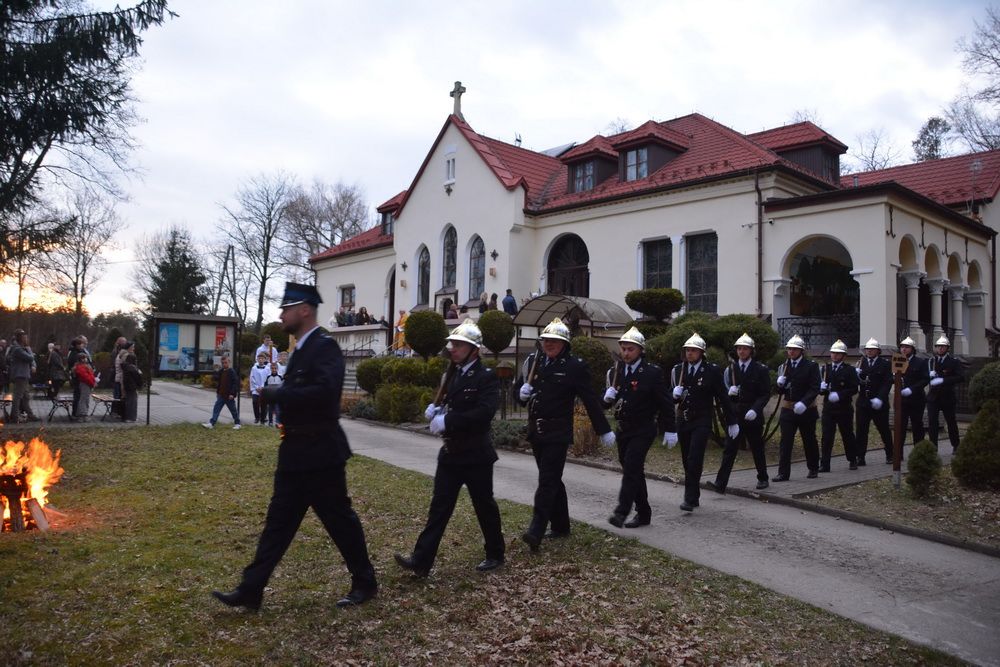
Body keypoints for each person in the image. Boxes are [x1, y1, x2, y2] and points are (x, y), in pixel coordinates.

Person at [213, 282, 378, 611]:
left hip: (321, 454)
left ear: (304, 310)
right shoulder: (301, 350)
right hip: (294, 453)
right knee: (278, 524)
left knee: (340, 522)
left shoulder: (324, 347)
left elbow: (326, 393)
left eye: (286, 309)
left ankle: (365, 581)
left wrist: (280, 394)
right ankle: (251, 589)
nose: (281, 315)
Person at [395, 318, 505, 576]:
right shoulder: (452, 374)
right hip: (450, 453)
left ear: (474, 350)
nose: (452, 349)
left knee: (484, 506)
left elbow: (484, 413)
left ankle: (495, 553)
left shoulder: (486, 377)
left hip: (476, 454)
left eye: (458, 345)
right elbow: (452, 404)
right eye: (452, 344)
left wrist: (448, 420)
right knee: (439, 508)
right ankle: (421, 561)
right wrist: (437, 410)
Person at [516, 317, 615, 550]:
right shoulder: (533, 362)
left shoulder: (574, 366)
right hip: (537, 431)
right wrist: (520, 394)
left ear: (564, 344)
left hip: (558, 433)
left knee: (546, 481)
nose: (548, 344)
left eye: (554, 341)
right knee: (552, 479)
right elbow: (518, 393)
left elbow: (589, 399)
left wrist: (603, 429)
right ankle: (561, 526)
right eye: (546, 340)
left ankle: (536, 530)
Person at [602, 326, 674, 528]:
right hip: (623, 429)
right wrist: (605, 398)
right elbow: (604, 403)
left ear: (640, 350)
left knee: (632, 467)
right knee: (633, 471)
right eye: (623, 349)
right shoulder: (615, 372)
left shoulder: (651, 373)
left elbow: (666, 402)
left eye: (630, 349)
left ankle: (621, 512)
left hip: (643, 428)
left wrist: (671, 428)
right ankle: (644, 512)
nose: (626, 353)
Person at [670, 332, 738, 511]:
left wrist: (732, 421)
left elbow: (723, 396)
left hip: (701, 419)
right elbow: (669, 396)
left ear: (701, 353)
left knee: (695, 457)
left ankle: (689, 498)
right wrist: (674, 395)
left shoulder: (711, 371)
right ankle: (694, 496)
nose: (689, 353)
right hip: (683, 419)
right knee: (687, 459)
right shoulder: (678, 370)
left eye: (693, 350)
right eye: (687, 350)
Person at [708, 333, 771, 493]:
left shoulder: (760, 369)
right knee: (729, 449)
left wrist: (756, 409)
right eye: (739, 349)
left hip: (752, 414)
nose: (741, 351)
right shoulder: (730, 369)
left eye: (745, 349)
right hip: (736, 415)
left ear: (751, 351)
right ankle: (720, 483)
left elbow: (765, 394)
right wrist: (729, 393)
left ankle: (763, 477)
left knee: (757, 448)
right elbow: (723, 392)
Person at [773, 334, 821, 481]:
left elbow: (815, 388)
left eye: (794, 349)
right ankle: (783, 473)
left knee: (809, 440)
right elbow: (781, 391)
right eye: (789, 349)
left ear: (801, 351)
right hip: (788, 409)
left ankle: (813, 468)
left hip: (806, 410)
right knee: (785, 441)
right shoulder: (784, 366)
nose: (791, 352)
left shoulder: (811, 366)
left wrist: (804, 403)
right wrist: (779, 385)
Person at [819, 339, 860, 471]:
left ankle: (852, 459)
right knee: (826, 436)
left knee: (847, 435)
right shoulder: (825, 369)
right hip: (829, 408)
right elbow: (820, 388)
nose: (834, 355)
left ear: (843, 356)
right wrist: (821, 389)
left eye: (838, 353)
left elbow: (854, 388)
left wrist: (840, 395)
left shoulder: (849, 370)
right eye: (833, 353)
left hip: (844, 408)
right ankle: (825, 464)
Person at [855, 338, 893, 464]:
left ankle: (890, 454)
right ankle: (860, 456)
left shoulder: (885, 364)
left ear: (878, 351)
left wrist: (880, 398)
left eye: (872, 349)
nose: (869, 351)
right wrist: (855, 375)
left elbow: (887, 383)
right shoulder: (860, 363)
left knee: (884, 429)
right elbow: (857, 383)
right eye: (867, 349)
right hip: (863, 402)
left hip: (879, 402)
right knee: (861, 430)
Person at [926, 334, 964, 451]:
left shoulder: (953, 362)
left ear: (947, 348)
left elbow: (960, 377)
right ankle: (933, 447)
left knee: (951, 422)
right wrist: (928, 375)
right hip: (933, 396)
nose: (940, 348)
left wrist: (943, 380)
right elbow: (923, 376)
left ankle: (956, 445)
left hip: (947, 396)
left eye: (943, 346)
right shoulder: (931, 361)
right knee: (932, 422)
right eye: (938, 346)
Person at [897, 336, 929, 446]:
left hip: (916, 399)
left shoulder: (920, 362)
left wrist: (912, 389)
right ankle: (898, 452)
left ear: (912, 349)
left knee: (917, 426)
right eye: (902, 347)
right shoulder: (898, 360)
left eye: (907, 347)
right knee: (900, 426)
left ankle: (918, 450)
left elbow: (925, 379)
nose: (904, 349)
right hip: (901, 400)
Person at [201, 355, 242, 430]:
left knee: (233, 410)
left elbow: (235, 384)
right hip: (221, 395)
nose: (224, 364)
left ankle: (237, 423)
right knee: (216, 408)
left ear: (229, 362)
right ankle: (211, 423)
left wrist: (232, 394)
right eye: (223, 363)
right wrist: (215, 371)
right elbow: (216, 378)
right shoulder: (221, 371)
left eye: (226, 362)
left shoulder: (232, 372)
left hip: (229, 396)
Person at [8, 329, 39, 422]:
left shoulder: (21, 348)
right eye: (25, 337)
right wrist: (29, 350)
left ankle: (30, 415)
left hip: (23, 375)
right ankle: (14, 416)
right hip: (20, 375)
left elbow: (31, 359)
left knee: (26, 397)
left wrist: (33, 364)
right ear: (21, 338)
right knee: (17, 396)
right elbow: (30, 357)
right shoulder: (17, 349)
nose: (26, 339)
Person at [73, 351, 96, 421]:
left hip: (87, 383)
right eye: (85, 358)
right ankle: (82, 415)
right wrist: (92, 383)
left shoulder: (84, 366)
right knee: (84, 399)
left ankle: (83, 414)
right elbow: (86, 377)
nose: (86, 359)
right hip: (85, 384)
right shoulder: (81, 367)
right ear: (81, 359)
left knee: (86, 399)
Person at [249, 352, 270, 425]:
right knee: (255, 402)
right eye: (259, 358)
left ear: (265, 360)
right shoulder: (254, 368)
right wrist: (257, 387)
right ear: (257, 359)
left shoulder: (267, 369)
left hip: (264, 389)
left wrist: (263, 387)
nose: (261, 360)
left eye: (262, 358)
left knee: (264, 404)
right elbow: (252, 378)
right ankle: (257, 417)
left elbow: (268, 379)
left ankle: (262, 419)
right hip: (256, 389)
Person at [121, 351, 143, 422]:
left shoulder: (125, 366)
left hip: (127, 386)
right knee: (132, 402)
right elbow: (138, 378)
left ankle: (127, 417)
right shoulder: (132, 368)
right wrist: (140, 384)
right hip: (132, 387)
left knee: (128, 401)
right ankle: (131, 418)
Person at [263, 361, 283, 426]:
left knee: (277, 409)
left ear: (277, 369)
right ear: (270, 369)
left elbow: (282, 386)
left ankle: (277, 422)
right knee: (270, 409)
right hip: (270, 396)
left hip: (277, 396)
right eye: (272, 368)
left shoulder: (280, 377)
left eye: (275, 368)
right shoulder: (268, 377)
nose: (274, 370)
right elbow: (265, 386)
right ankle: (270, 421)